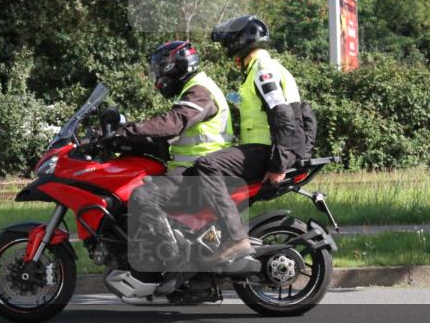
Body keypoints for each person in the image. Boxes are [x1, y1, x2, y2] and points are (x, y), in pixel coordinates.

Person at [191, 14, 312, 264]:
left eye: (229, 41)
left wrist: (279, 165)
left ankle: (235, 239)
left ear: (241, 40)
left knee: (207, 165)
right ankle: (209, 245)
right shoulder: (257, 70)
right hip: (265, 149)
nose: (227, 47)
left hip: (268, 151)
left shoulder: (263, 70)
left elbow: (282, 116)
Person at [113, 41, 234, 275]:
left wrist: (127, 132)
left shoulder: (200, 91)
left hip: (199, 172)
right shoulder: (193, 89)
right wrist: (123, 134)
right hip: (191, 169)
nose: (157, 76)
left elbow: (172, 123)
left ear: (175, 67)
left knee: (144, 198)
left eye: (159, 70)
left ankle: (178, 264)